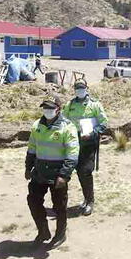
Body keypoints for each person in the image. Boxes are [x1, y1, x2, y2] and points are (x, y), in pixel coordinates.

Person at [26, 96, 79, 249]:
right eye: (45, 107)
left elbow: (73, 153)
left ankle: (61, 233)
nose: (47, 111)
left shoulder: (67, 127)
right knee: (33, 201)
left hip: (58, 173)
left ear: (58, 109)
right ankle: (43, 231)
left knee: (59, 206)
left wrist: (64, 175)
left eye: (50, 108)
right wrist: (28, 167)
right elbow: (32, 148)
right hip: (40, 171)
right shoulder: (37, 125)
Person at [62, 79, 108, 216]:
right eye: (77, 88)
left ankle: (90, 201)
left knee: (86, 171)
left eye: (82, 88)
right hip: (74, 143)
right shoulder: (69, 105)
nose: (79, 90)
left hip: (89, 143)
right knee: (78, 171)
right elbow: (64, 121)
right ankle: (86, 198)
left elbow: (104, 122)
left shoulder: (94, 105)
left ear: (86, 88)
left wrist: (94, 132)